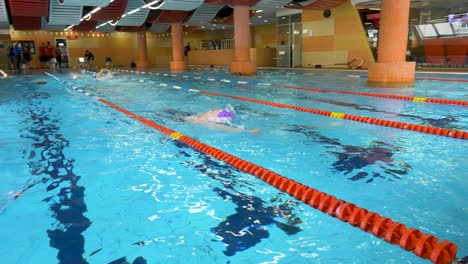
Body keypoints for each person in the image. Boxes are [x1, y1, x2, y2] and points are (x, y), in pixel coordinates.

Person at [184, 105, 261, 134]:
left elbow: (224, 127)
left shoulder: (205, 119)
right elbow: (225, 127)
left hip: (218, 117)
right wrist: (246, 131)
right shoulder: (206, 119)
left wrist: (246, 131)